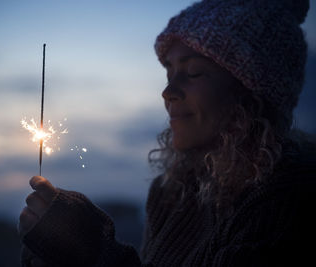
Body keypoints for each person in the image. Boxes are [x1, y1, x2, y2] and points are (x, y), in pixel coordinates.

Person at [18, 0, 316, 266]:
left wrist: (90, 250)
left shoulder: (287, 202)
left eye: (194, 72)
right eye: (169, 73)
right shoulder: (171, 192)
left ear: (250, 91)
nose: (168, 92)